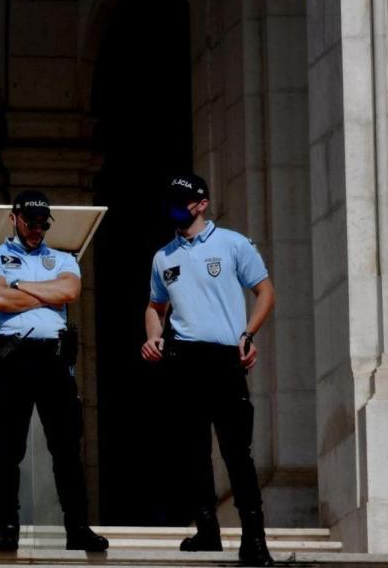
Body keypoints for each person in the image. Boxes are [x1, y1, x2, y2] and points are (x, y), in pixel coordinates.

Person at [140, 174, 276, 566]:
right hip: (183, 359)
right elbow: (155, 307)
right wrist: (154, 336)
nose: (173, 210)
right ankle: (206, 531)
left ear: (201, 204)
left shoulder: (233, 243)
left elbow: (265, 291)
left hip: (224, 358)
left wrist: (248, 333)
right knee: (192, 450)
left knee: (237, 452)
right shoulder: (162, 256)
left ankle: (255, 539)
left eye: (180, 203)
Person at [0, 191, 109, 553]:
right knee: (7, 448)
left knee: (67, 449)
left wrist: (18, 285)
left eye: (42, 224)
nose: (36, 230)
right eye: (30, 222)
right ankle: (7, 526)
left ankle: (77, 528)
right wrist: (45, 295)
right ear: (14, 218)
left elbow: (70, 290)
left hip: (53, 360)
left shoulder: (63, 259)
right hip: (12, 358)